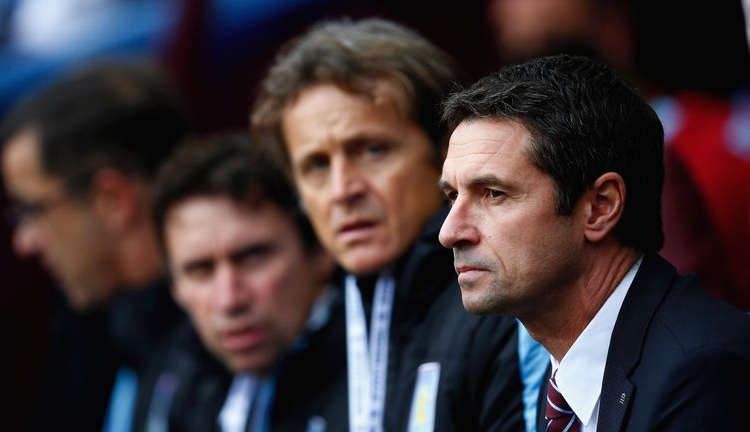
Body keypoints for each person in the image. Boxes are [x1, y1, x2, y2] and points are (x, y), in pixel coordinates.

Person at [438, 54, 750, 431]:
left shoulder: (703, 372)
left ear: (600, 207)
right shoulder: (561, 376)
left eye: (493, 193)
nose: (450, 232)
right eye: (453, 197)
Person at [252, 18, 524, 431]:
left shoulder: (512, 311)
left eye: (372, 150)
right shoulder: (306, 363)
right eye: (317, 165)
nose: (343, 190)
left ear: (443, 152)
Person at [0, 61, 189, 431]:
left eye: (33, 210)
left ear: (112, 200)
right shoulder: (90, 331)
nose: (24, 242)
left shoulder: (232, 333)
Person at [133, 134, 339, 431]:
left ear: (320, 251)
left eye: (253, 257)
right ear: (175, 289)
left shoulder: (383, 376)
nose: (229, 300)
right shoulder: (176, 391)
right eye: (199, 270)